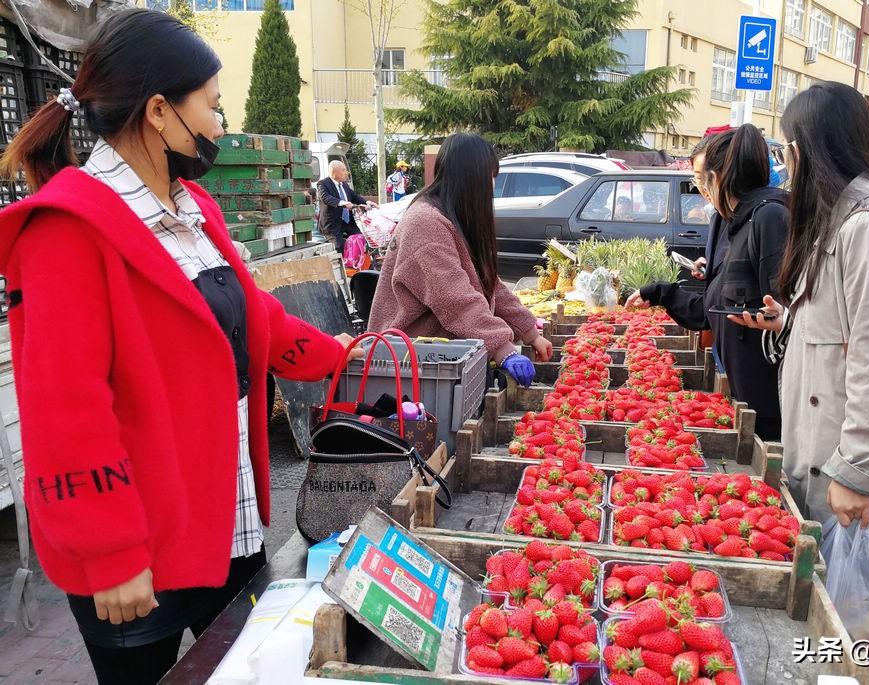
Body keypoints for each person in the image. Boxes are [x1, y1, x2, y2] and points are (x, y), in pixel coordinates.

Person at [0, 10, 362, 684]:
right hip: (141, 550)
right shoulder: (69, 228)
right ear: (160, 111)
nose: (220, 127)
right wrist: (111, 552)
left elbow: (255, 319)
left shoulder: (194, 209)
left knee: (254, 669)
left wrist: (340, 355)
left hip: (230, 521)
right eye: (214, 107)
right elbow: (64, 408)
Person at [730, 81, 869, 642]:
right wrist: (791, 322)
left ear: (804, 152)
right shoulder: (850, 217)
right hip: (849, 462)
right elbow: (854, 328)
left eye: (785, 154)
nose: (784, 167)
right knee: (857, 618)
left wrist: (856, 472)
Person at [626, 124, 788, 439]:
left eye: (701, 179)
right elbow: (712, 309)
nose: (700, 187)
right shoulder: (732, 220)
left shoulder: (768, 218)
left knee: (766, 446)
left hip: (766, 388)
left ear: (718, 177)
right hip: (743, 379)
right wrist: (661, 293)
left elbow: (783, 312)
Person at [369, 132, 553, 387]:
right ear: (472, 179)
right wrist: (503, 348)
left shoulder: (451, 217)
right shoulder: (425, 224)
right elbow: (455, 298)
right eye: (490, 178)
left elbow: (489, 284)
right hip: (410, 364)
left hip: (441, 359)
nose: (492, 188)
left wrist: (530, 332)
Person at [317, 160, 377, 252]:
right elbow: (325, 197)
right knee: (339, 246)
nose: (347, 173)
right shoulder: (323, 184)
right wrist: (343, 203)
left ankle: (356, 263)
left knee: (363, 240)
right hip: (332, 225)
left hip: (347, 222)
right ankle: (342, 264)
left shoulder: (344, 185)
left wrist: (367, 202)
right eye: (344, 170)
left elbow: (354, 197)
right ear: (334, 172)